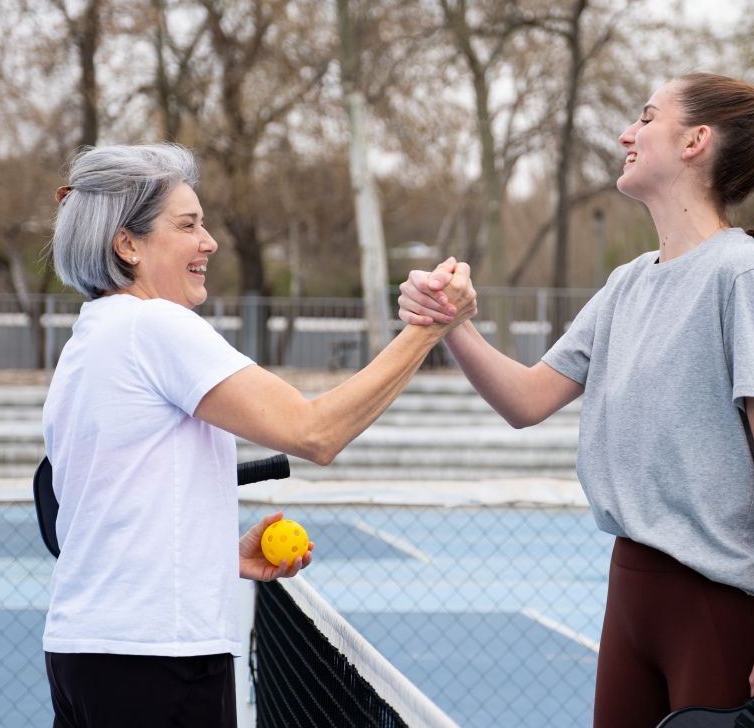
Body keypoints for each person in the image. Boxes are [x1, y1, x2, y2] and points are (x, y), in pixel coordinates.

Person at [397, 72, 754, 728]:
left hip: (717, 609)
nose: (625, 133)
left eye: (645, 116)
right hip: (631, 592)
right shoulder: (627, 283)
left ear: (695, 141)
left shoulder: (743, 277)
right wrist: (452, 323)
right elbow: (525, 400)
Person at [42, 143, 476, 728]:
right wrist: (430, 329)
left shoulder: (89, 340)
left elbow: (110, 506)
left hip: (84, 652)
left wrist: (214, 557)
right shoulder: (156, 326)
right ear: (128, 244)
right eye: (188, 225)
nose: (210, 242)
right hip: (158, 662)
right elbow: (315, 431)